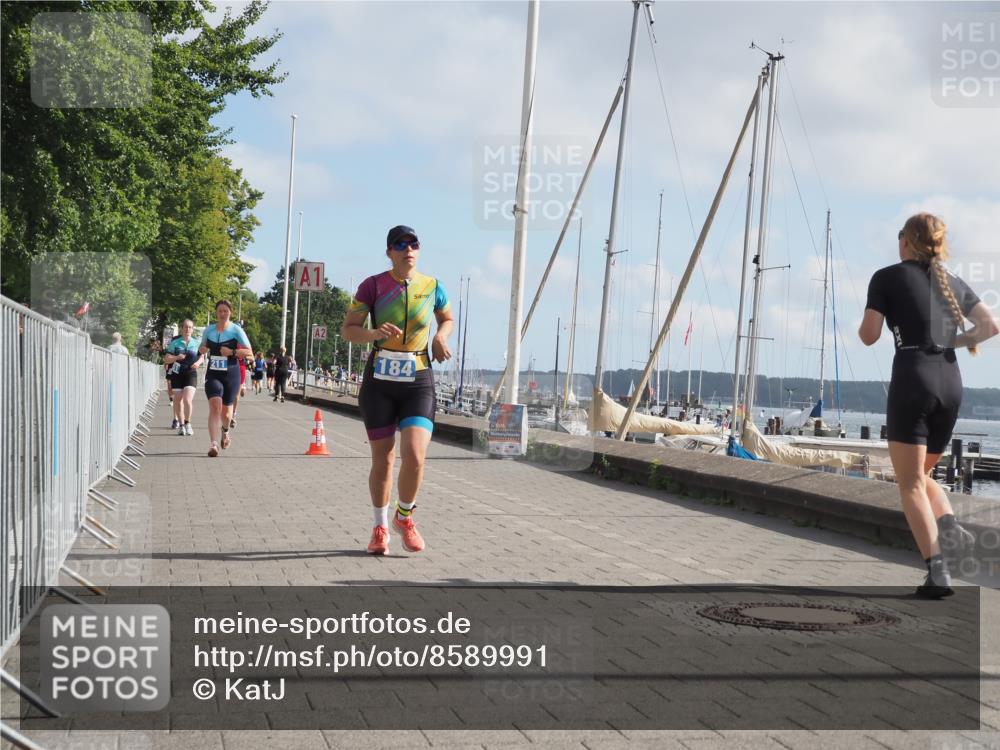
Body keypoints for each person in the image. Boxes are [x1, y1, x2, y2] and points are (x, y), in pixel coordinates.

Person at [859, 212, 998, 598]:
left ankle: (938, 575)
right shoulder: (951, 281)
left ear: (906, 241)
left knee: (909, 486)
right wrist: (948, 342)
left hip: (913, 378)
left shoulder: (887, 277)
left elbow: (869, 336)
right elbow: (991, 326)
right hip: (950, 382)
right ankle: (949, 524)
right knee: (920, 475)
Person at [341, 225, 454, 555]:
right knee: (384, 460)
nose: (408, 248)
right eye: (400, 244)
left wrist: (440, 336)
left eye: (414, 243)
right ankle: (380, 526)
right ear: (389, 252)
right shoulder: (373, 286)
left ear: (419, 250)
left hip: (418, 378)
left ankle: (404, 517)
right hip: (379, 381)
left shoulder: (432, 286)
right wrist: (374, 333)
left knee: (416, 456)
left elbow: (446, 318)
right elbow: (349, 330)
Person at [199, 300, 253, 457]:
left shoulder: (236, 330)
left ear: (230, 313)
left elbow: (250, 353)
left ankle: (225, 431)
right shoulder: (208, 330)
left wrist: (232, 352)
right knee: (215, 406)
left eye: (225, 311)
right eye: (220, 311)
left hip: (231, 373)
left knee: (227, 415)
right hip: (213, 373)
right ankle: (213, 444)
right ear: (216, 313)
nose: (222, 314)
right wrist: (202, 349)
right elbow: (202, 348)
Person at [163, 320, 203, 435]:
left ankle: (188, 423)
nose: (188, 329)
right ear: (181, 328)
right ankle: (181, 425)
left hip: (190, 373)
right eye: (185, 327)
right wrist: (176, 357)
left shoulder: (197, 343)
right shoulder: (175, 343)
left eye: (190, 327)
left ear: (193, 329)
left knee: (187, 399)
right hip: (177, 373)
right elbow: (166, 358)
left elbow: (202, 356)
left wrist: (198, 363)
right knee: (178, 400)